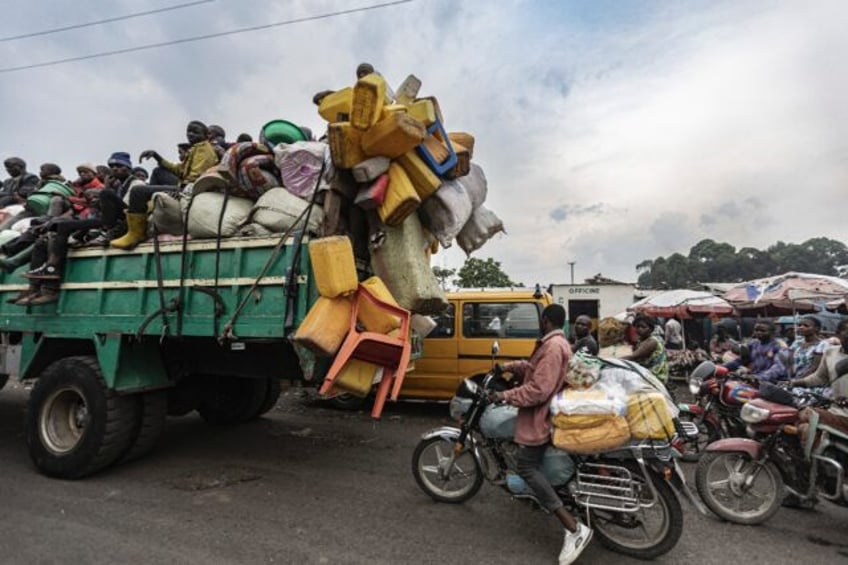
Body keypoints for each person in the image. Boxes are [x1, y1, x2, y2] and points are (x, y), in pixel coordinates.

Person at [489, 304, 592, 565]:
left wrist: (505, 395)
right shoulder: (556, 343)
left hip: (541, 417)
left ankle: (573, 528)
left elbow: (538, 389)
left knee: (527, 466)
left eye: (540, 320)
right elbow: (533, 369)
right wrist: (508, 367)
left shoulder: (553, 347)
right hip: (546, 412)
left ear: (545, 320)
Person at [111, 121, 218, 250]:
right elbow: (179, 170)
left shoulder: (204, 150)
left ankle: (135, 234)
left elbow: (195, 176)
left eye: (195, 132)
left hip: (190, 188)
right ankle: (132, 230)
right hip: (185, 186)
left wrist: (179, 191)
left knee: (138, 191)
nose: (190, 135)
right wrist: (157, 157)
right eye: (188, 132)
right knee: (150, 187)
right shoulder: (195, 149)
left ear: (206, 135)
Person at [724, 321, 789, 382]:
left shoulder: (779, 345)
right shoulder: (753, 343)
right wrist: (722, 367)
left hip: (775, 382)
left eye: (762, 331)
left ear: (772, 332)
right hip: (755, 379)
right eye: (756, 330)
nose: (758, 332)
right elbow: (742, 360)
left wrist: (758, 377)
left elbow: (778, 368)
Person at [623, 314, 669, 383]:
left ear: (651, 329)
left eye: (643, 327)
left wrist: (613, 360)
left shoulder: (652, 341)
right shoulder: (641, 340)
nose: (639, 329)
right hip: (646, 373)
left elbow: (633, 356)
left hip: (655, 376)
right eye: (637, 326)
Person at [790, 316, 827, 380]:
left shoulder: (822, 345)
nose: (801, 327)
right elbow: (789, 361)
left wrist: (797, 380)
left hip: (809, 380)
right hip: (793, 377)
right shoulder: (797, 343)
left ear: (816, 329)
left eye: (806, 326)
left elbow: (815, 368)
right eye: (800, 325)